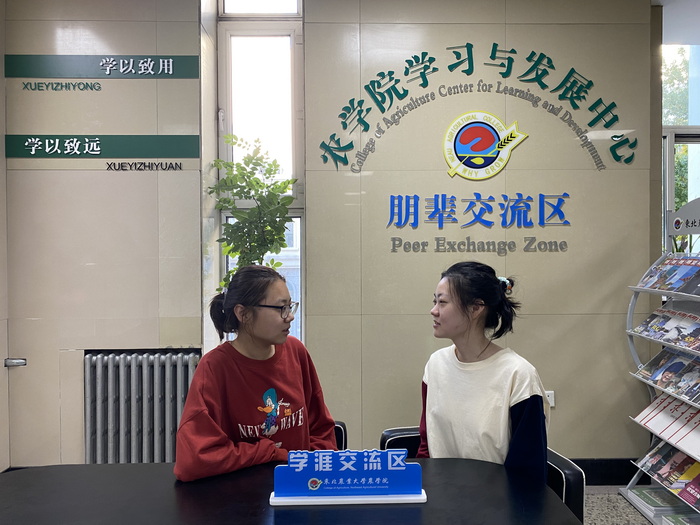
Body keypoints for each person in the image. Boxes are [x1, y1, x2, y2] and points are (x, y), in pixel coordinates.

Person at [174, 265, 337, 482]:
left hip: (296, 489)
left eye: (290, 307)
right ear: (243, 313)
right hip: (240, 495)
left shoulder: (295, 352)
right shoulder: (215, 367)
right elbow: (194, 459)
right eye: (281, 308)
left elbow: (321, 429)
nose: (289, 317)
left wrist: (309, 469)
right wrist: (271, 453)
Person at [417, 261, 549, 483]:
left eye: (442, 302)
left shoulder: (518, 375)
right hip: (441, 491)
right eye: (434, 301)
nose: (434, 310)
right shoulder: (436, 364)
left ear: (476, 308)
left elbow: (528, 470)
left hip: (497, 498)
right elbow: (426, 443)